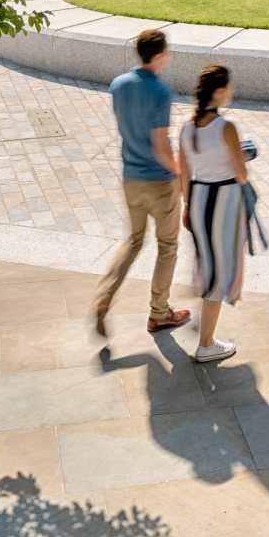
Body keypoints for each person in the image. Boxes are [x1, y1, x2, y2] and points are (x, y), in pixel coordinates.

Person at [95, 28, 191, 340]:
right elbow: (161, 145)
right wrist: (179, 173)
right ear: (161, 55)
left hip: (130, 179)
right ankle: (159, 313)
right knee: (167, 247)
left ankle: (104, 296)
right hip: (158, 184)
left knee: (133, 241)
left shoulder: (118, 85)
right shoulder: (161, 92)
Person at [177, 63, 251, 363]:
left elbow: (184, 171)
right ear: (219, 91)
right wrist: (244, 154)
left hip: (198, 200)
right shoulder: (226, 127)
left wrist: (187, 205)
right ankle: (206, 343)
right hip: (225, 200)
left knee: (208, 265)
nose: (231, 92)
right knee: (220, 274)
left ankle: (205, 327)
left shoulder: (186, 127)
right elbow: (241, 174)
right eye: (229, 87)